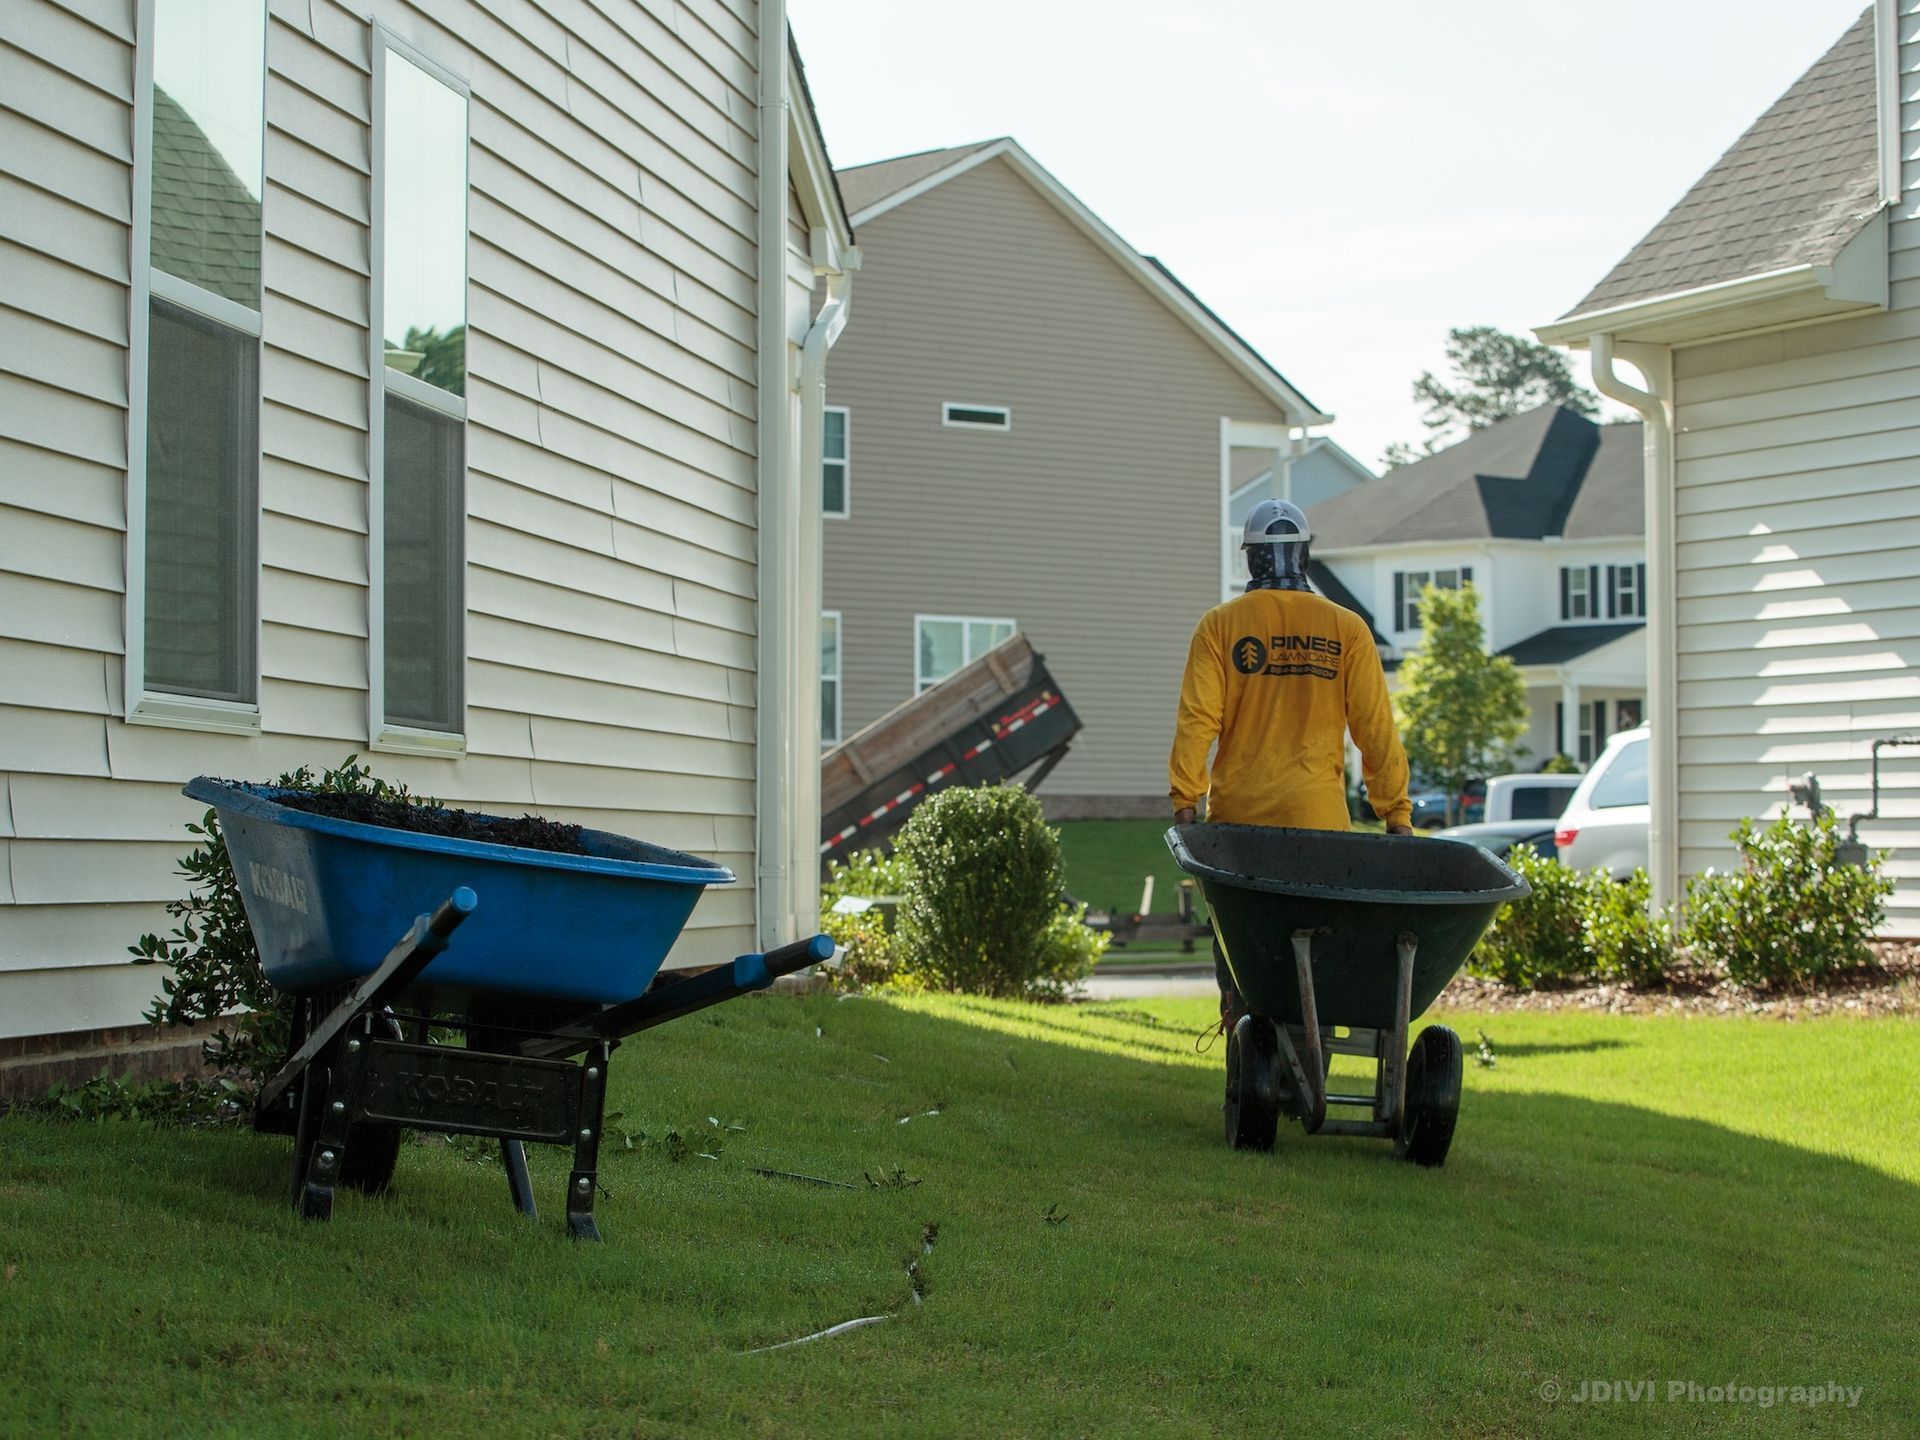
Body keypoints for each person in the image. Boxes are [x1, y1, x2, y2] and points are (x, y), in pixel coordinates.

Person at [1168, 498, 1414, 1027]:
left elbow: (1197, 721)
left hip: (1239, 832)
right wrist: (1396, 814)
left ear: (1250, 558)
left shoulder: (1220, 626)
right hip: (1319, 829)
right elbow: (1375, 728)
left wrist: (1186, 803)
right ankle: (1312, 1051)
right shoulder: (1346, 629)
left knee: (1240, 957)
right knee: (1317, 954)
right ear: (1304, 553)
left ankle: (1243, 1050)